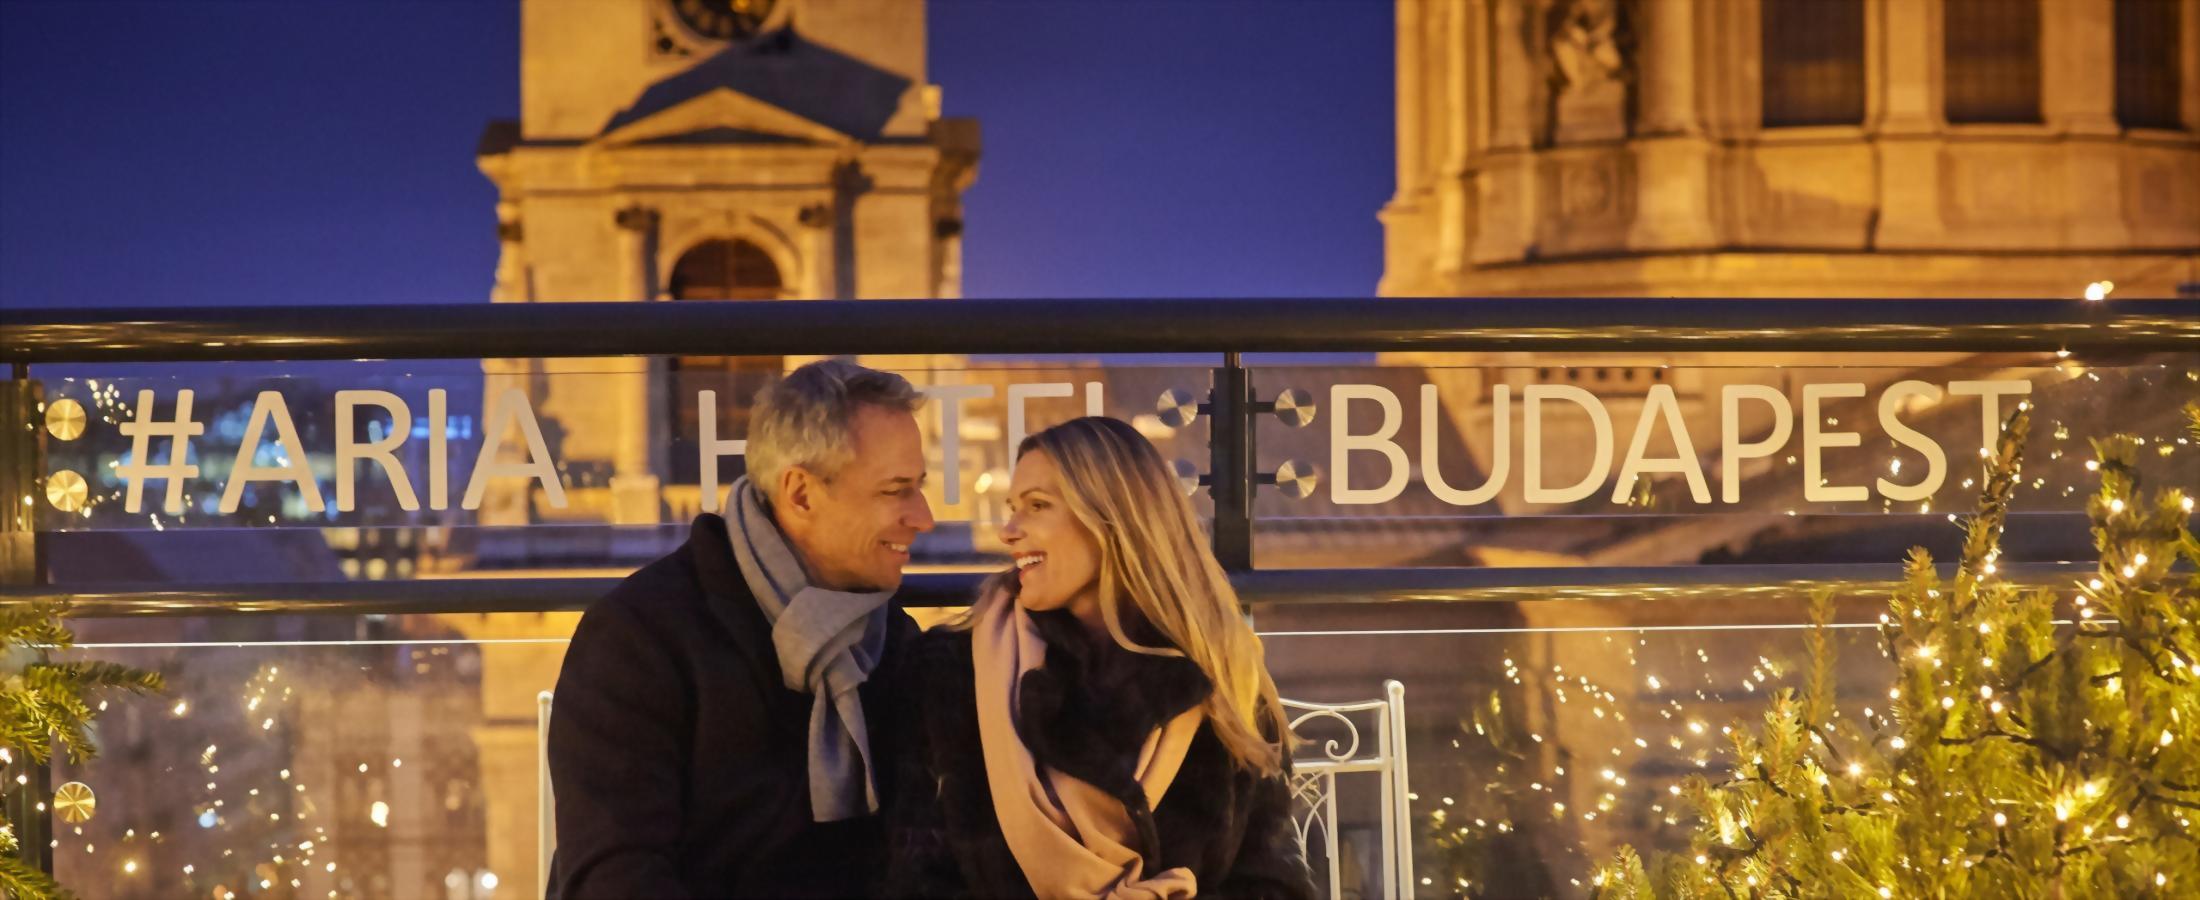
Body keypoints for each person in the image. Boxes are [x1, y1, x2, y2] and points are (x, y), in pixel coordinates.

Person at [883, 416, 1316, 899]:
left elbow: (1270, 882)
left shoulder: (1223, 676)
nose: (1008, 530)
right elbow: (919, 875)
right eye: (1012, 508)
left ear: (1112, 519)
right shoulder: (954, 671)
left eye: (1037, 506)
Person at [547, 360, 935, 898]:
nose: (924, 516)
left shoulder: (892, 640)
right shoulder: (638, 638)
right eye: (896, 491)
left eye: (919, 487)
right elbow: (615, 878)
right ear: (801, 494)